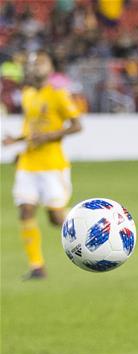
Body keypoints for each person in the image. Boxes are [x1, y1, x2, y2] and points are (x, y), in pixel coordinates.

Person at [2, 50, 82, 280]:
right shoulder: (27, 94)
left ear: (50, 68)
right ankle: (37, 266)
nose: (35, 66)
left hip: (52, 164)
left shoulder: (58, 94)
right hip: (28, 163)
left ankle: (87, 226)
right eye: (33, 63)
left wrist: (49, 136)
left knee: (56, 218)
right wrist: (15, 142)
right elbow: (30, 129)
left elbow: (77, 125)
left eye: (40, 63)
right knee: (25, 209)